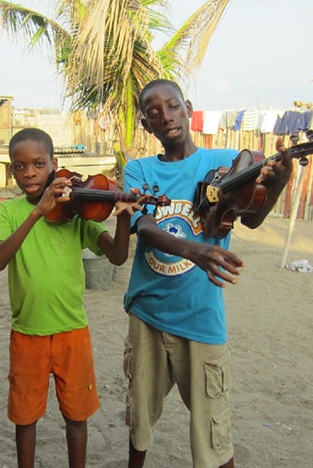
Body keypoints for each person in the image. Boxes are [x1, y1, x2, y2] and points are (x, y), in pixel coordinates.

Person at [122, 79, 293, 468]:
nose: (165, 116)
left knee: (214, 435)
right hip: (147, 314)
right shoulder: (139, 170)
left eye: (172, 106)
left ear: (188, 108)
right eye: (153, 113)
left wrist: (279, 182)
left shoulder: (228, 162)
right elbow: (144, 227)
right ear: (147, 126)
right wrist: (195, 249)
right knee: (139, 425)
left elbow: (250, 219)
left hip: (200, 318)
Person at [0, 127, 143, 468]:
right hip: (27, 332)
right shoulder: (11, 212)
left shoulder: (75, 214)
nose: (29, 173)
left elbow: (116, 257)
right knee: (25, 418)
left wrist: (124, 219)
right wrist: (37, 212)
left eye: (39, 164)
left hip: (72, 331)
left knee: (77, 417)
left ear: (54, 164)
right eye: (19, 166)